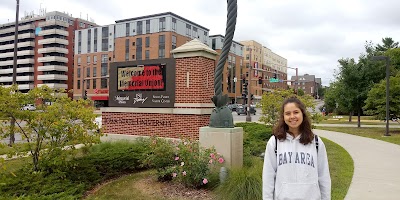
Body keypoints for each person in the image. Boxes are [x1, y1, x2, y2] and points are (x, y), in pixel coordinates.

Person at [262, 97, 331, 200]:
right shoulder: (275, 142)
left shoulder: (316, 142)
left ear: (302, 114)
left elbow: (324, 177)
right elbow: (268, 178)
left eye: (296, 112)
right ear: (283, 117)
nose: (292, 116)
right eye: (288, 113)